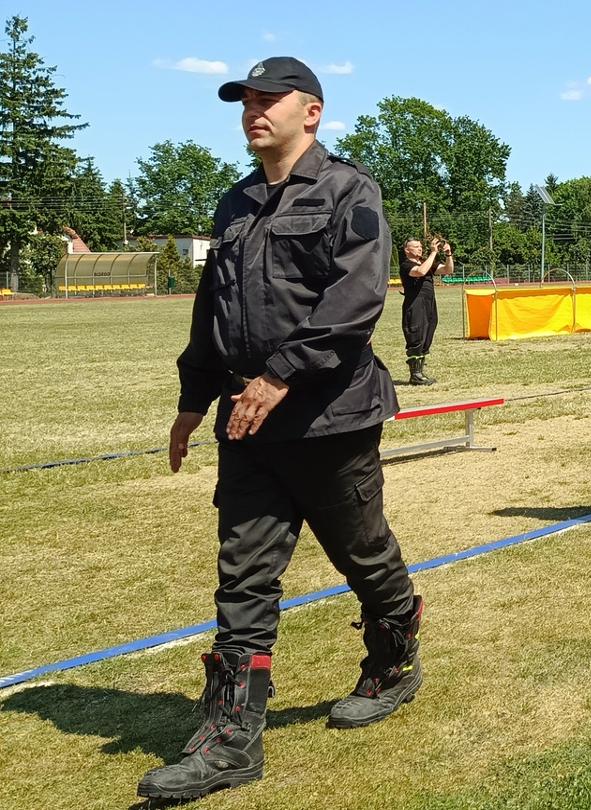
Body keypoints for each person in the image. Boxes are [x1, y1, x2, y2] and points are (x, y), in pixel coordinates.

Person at [151, 57, 423, 801]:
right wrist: (193, 397)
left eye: (271, 99)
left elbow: (356, 299)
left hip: (330, 419)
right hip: (248, 423)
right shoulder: (234, 203)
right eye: (246, 99)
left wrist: (281, 375)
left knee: (363, 555)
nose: (255, 110)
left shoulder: (348, 190)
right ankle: (231, 741)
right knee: (243, 577)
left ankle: (394, 659)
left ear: (312, 112)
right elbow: (214, 309)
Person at [398, 236, 448, 385]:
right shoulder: (406, 265)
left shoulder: (426, 262)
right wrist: (433, 253)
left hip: (429, 303)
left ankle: (420, 372)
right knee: (416, 335)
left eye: (420, 246)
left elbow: (448, 269)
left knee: (427, 334)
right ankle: (415, 375)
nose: (420, 248)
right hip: (415, 304)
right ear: (407, 250)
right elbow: (420, 271)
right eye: (416, 246)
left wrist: (448, 254)